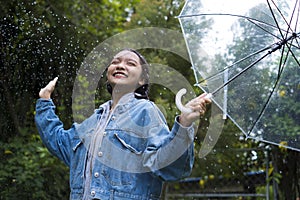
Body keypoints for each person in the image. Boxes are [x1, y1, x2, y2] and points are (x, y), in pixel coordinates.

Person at [35, 48, 211, 199]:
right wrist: (44, 102)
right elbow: (60, 143)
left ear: (142, 80)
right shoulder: (94, 120)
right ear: (108, 74)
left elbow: (171, 168)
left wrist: (184, 124)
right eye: (115, 62)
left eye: (131, 63)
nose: (120, 65)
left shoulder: (145, 112)